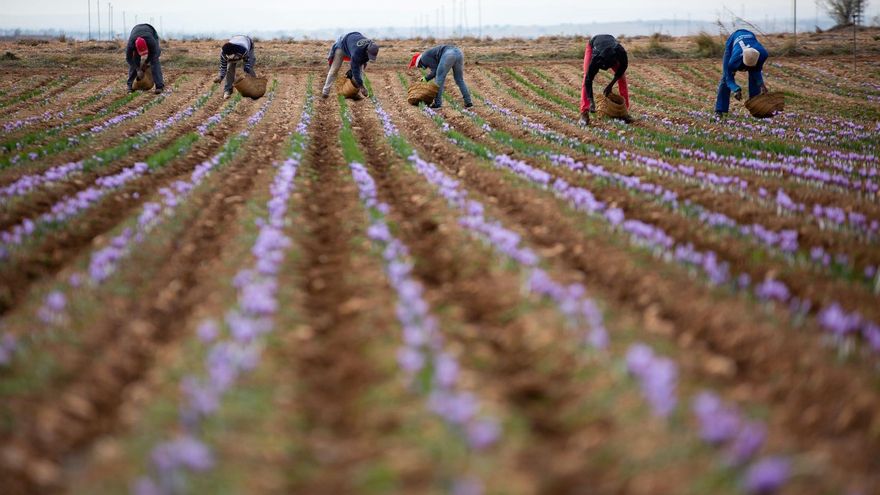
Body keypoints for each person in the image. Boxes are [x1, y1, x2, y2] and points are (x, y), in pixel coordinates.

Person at [714, 29, 769, 117]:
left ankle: (755, 109)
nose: (748, 69)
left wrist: (761, 84)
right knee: (724, 79)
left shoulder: (763, 54)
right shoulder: (733, 61)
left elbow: (757, 70)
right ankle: (720, 110)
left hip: (750, 36)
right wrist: (736, 89)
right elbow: (729, 78)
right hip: (733, 40)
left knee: (754, 77)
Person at [579, 34, 629, 126]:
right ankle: (584, 113)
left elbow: (623, 67)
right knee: (586, 76)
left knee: (622, 78)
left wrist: (610, 85)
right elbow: (589, 80)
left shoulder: (620, 52)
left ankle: (625, 112)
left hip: (611, 46)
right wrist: (591, 101)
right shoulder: (596, 58)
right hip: (594, 44)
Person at [408, 45, 473, 109]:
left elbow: (435, 71)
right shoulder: (427, 55)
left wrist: (426, 78)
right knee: (459, 79)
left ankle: (437, 103)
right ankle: (468, 102)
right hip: (459, 53)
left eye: (419, 66)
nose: (421, 68)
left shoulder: (424, 58)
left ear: (419, 62)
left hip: (449, 54)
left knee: (439, 79)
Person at [322, 32, 379, 99]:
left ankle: (354, 93)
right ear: (367, 50)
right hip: (342, 46)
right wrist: (362, 86)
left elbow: (363, 62)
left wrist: (357, 79)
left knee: (361, 72)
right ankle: (325, 92)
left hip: (353, 42)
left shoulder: (371, 47)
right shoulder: (356, 52)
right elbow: (355, 69)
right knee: (334, 69)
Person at [126, 23, 164, 94]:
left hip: (150, 31)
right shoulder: (131, 44)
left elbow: (154, 54)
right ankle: (130, 86)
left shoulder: (151, 42)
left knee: (154, 61)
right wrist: (137, 69)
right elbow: (128, 59)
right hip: (135, 31)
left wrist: (146, 63)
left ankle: (159, 86)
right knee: (135, 60)